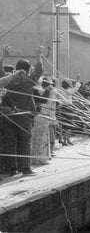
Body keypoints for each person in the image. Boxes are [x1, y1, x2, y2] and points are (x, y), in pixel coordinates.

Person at [1, 45, 44, 176]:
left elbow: (0, 74)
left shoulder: (8, 80)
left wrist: (3, 56)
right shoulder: (28, 80)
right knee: (25, 141)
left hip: (8, 115)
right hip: (24, 115)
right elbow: (38, 72)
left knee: (11, 142)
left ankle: (11, 169)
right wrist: (38, 57)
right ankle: (25, 168)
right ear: (27, 70)